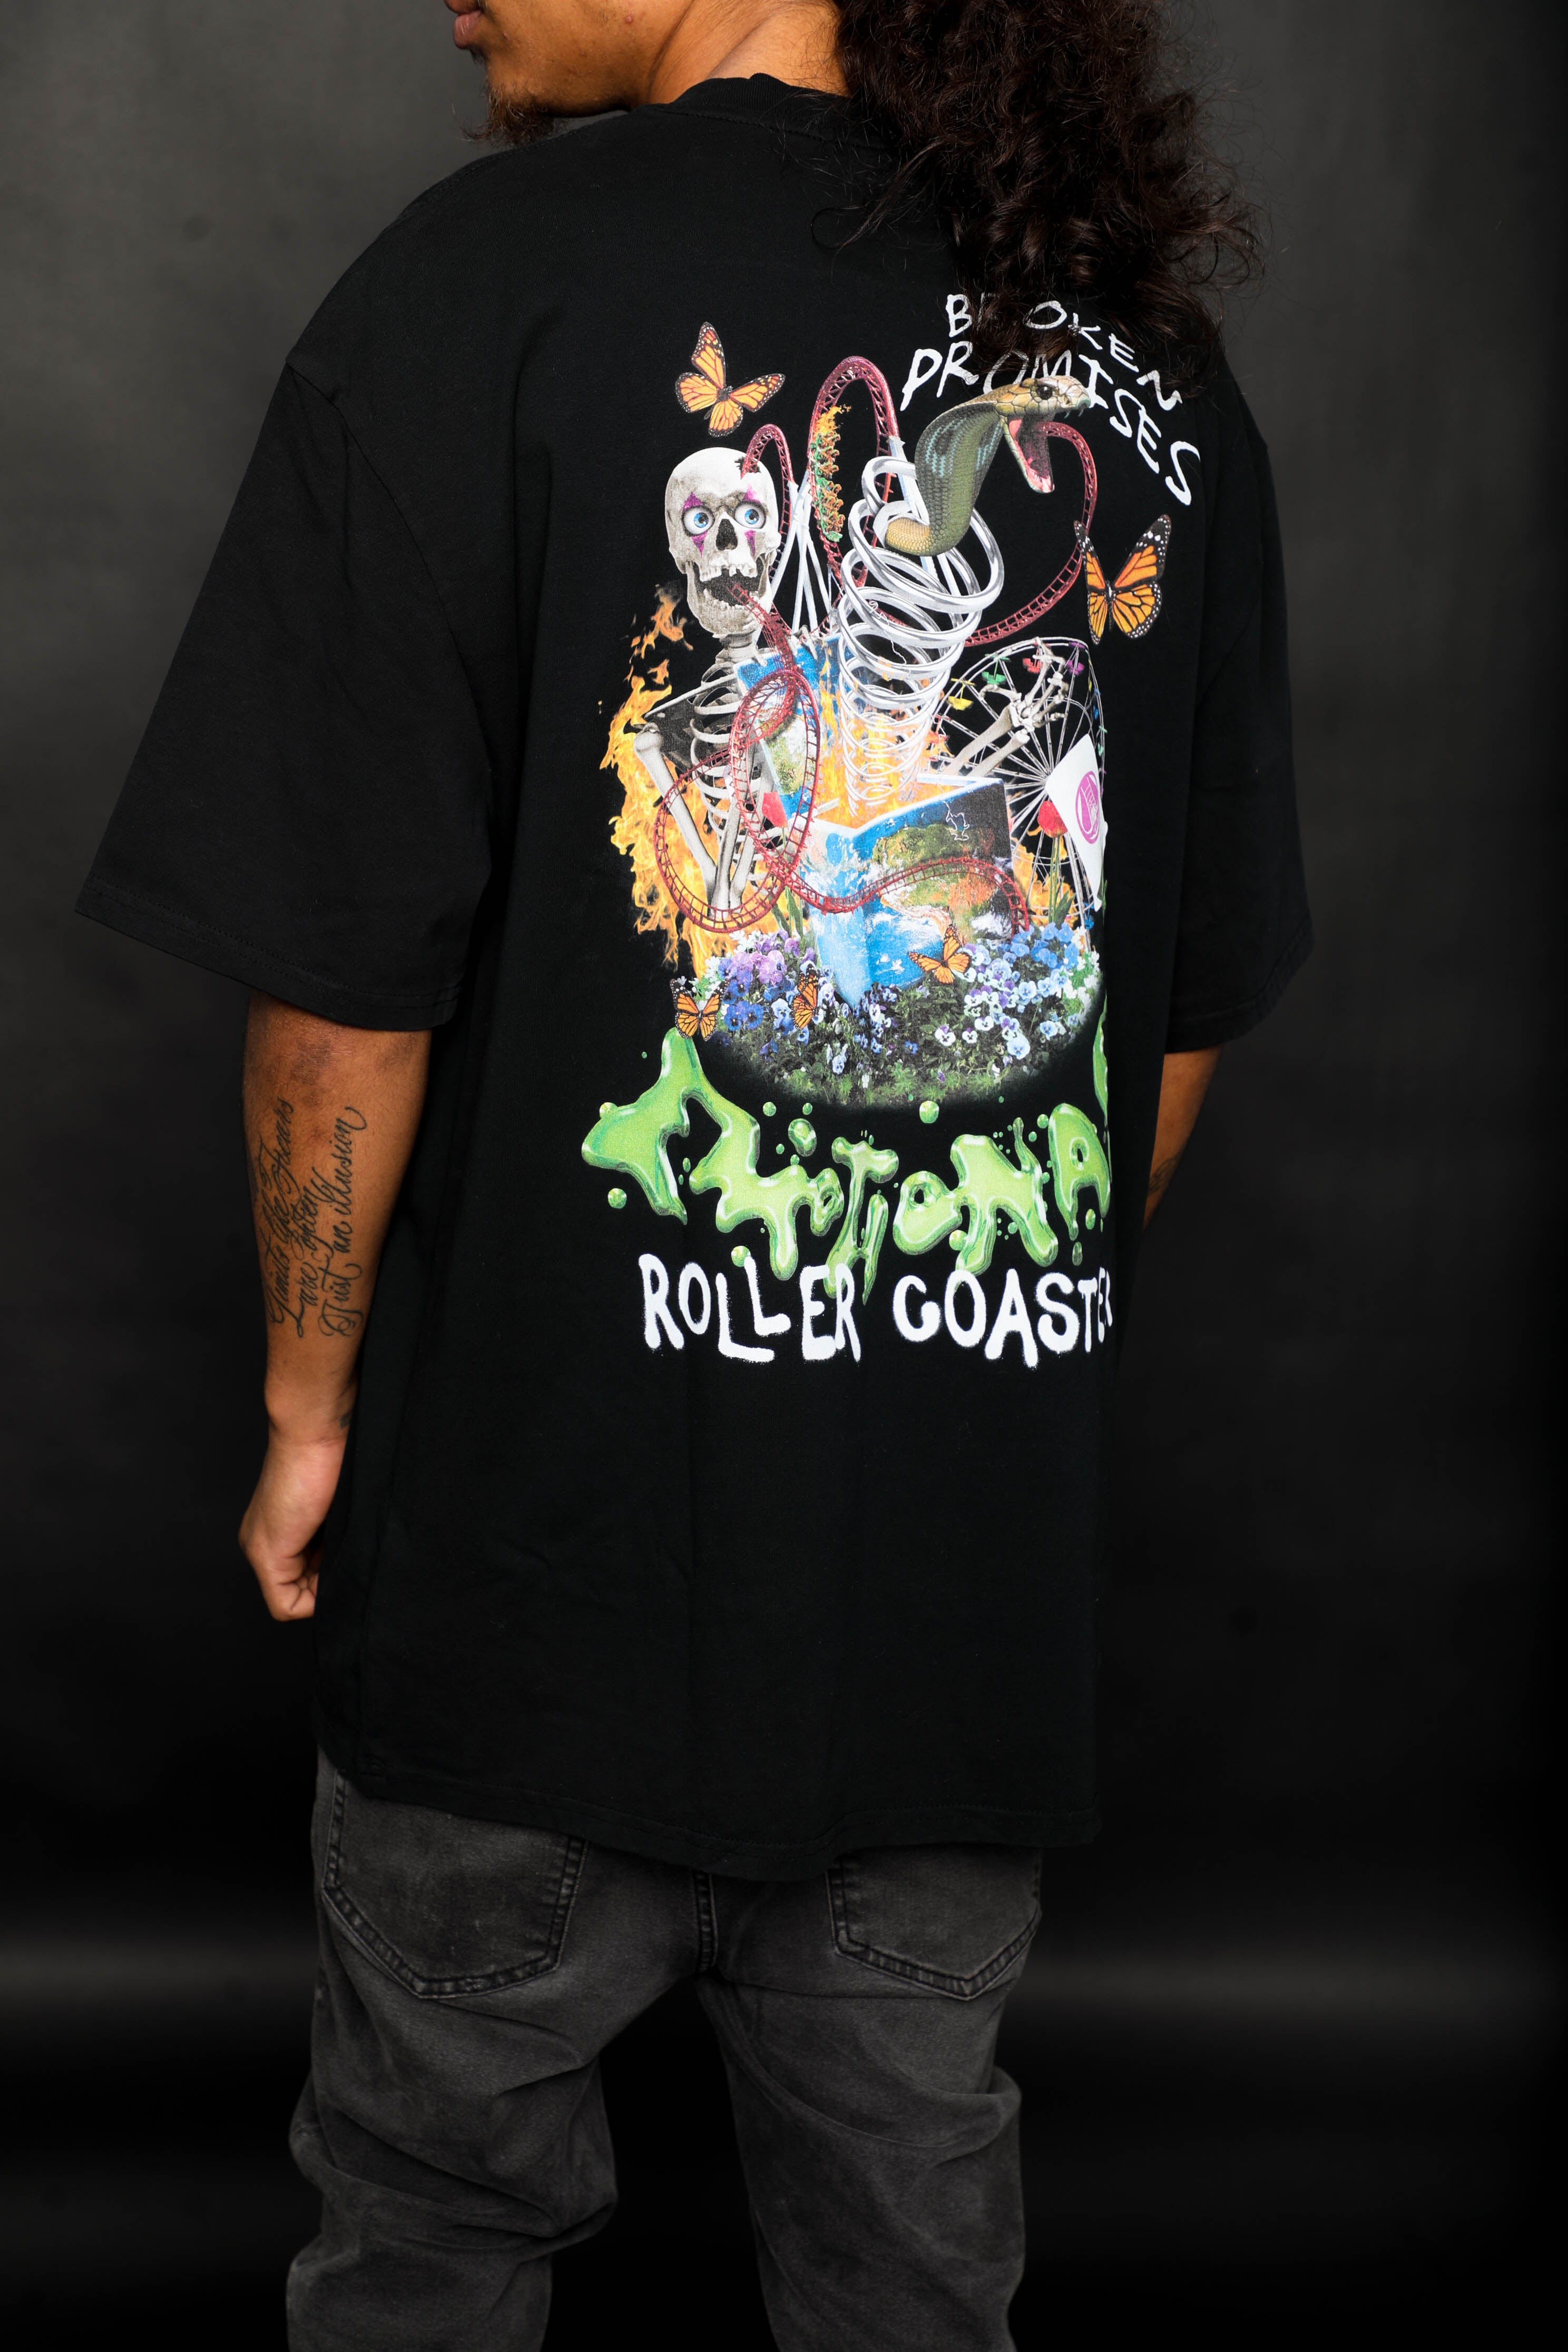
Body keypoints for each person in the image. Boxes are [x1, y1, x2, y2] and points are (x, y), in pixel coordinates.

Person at [78, 0, 1310, 2341]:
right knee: (908, 2288)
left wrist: (309, 1410)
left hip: (522, 1600)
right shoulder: (1147, 353)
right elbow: (1162, 1015)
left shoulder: (472, 287)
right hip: (940, 1613)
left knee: (429, 2251)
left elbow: (339, 1003)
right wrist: (958, 1325)